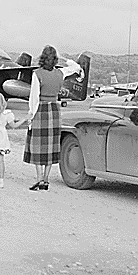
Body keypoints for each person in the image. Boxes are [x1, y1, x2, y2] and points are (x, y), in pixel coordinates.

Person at [24, 45, 82, 191]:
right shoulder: (61, 72)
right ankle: (46, 180)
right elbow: (76, 67)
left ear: (42, 58)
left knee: (38, 145)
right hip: (54, 110)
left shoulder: (37, 74)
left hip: (41, 109)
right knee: (50, 145)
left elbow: (34, 98)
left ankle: (39, 179)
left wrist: (31, 115)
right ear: (55, 59)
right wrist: (65, 58)